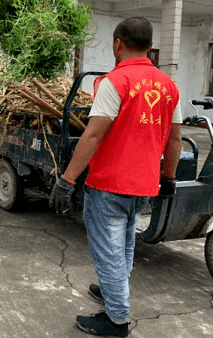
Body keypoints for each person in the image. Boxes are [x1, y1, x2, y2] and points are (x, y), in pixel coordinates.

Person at [49, 17, 182, 337]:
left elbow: (92, 136)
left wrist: (66, 180)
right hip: (144, 186)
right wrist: (169, 178)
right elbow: (174, 140)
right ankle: (113, 289)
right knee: (122, 245)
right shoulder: (169, 85)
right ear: (150, 47)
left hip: (110, 185)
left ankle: (116, 320)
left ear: (117, 43)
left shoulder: (115, 81)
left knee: (109, 251)